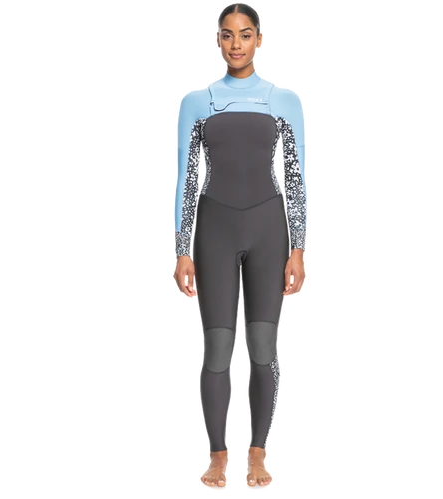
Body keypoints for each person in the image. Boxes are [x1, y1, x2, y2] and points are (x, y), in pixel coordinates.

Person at [171, 1, 309, 488]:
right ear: (217, 41)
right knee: (216, 347)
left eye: (245, 35)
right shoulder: (198, 100)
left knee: (265, 347)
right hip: (214, 230)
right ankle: (217, 456)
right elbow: (188, 178)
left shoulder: (282, 99)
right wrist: (181, 249)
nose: (236, 44)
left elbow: (295, 178)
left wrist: (300, 247)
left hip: (269, 229)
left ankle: (257, 454)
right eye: (227, 35)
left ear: (260, 40)